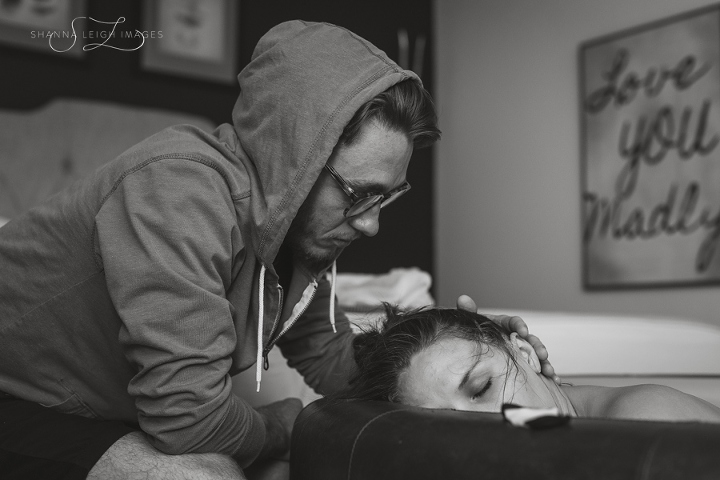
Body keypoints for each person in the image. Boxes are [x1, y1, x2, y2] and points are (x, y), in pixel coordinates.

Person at [0, 20, 556, 480]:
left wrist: (462, 346)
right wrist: (287, 425)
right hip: (18, 396)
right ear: (292, 161)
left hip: (106, 408)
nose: (371, 227)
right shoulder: (176, 190)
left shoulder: (291, 232)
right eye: (360, 194)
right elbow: (186, 419)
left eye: (386, 196)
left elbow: (329, 355)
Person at [342, 304, 720, 423]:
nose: (483, 426)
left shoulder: (641, 416)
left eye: (482, 388)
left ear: (523, 353)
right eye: (448, 421)